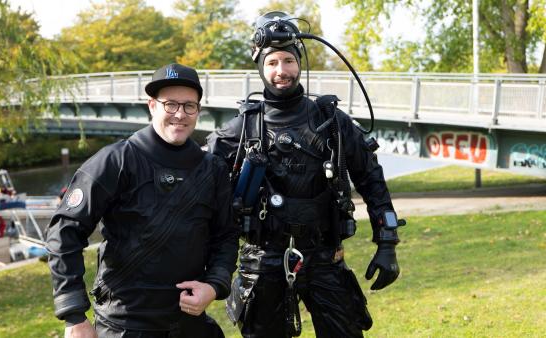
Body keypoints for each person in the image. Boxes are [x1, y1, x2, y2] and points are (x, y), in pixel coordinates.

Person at [207, 11, 404, 338]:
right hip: (262, 259)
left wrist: (387, 242)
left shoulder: (332, 122)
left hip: (325, 255)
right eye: (272, 63)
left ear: (299, 62)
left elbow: (372, 180)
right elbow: (199, 191)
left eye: (288, 60)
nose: (281, 71)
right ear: (259, 67)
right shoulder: (241, 130)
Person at [46, 63, 239, 338]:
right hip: (124, 325)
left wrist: (215, 285)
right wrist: (73, 315)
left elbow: (226, 237)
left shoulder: (213, 169)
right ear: (152, 106)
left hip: (189, 324)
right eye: (170, 104)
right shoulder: (115, 161)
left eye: (189, 106)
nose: (180, 115)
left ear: (198, 110)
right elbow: (64, 231)